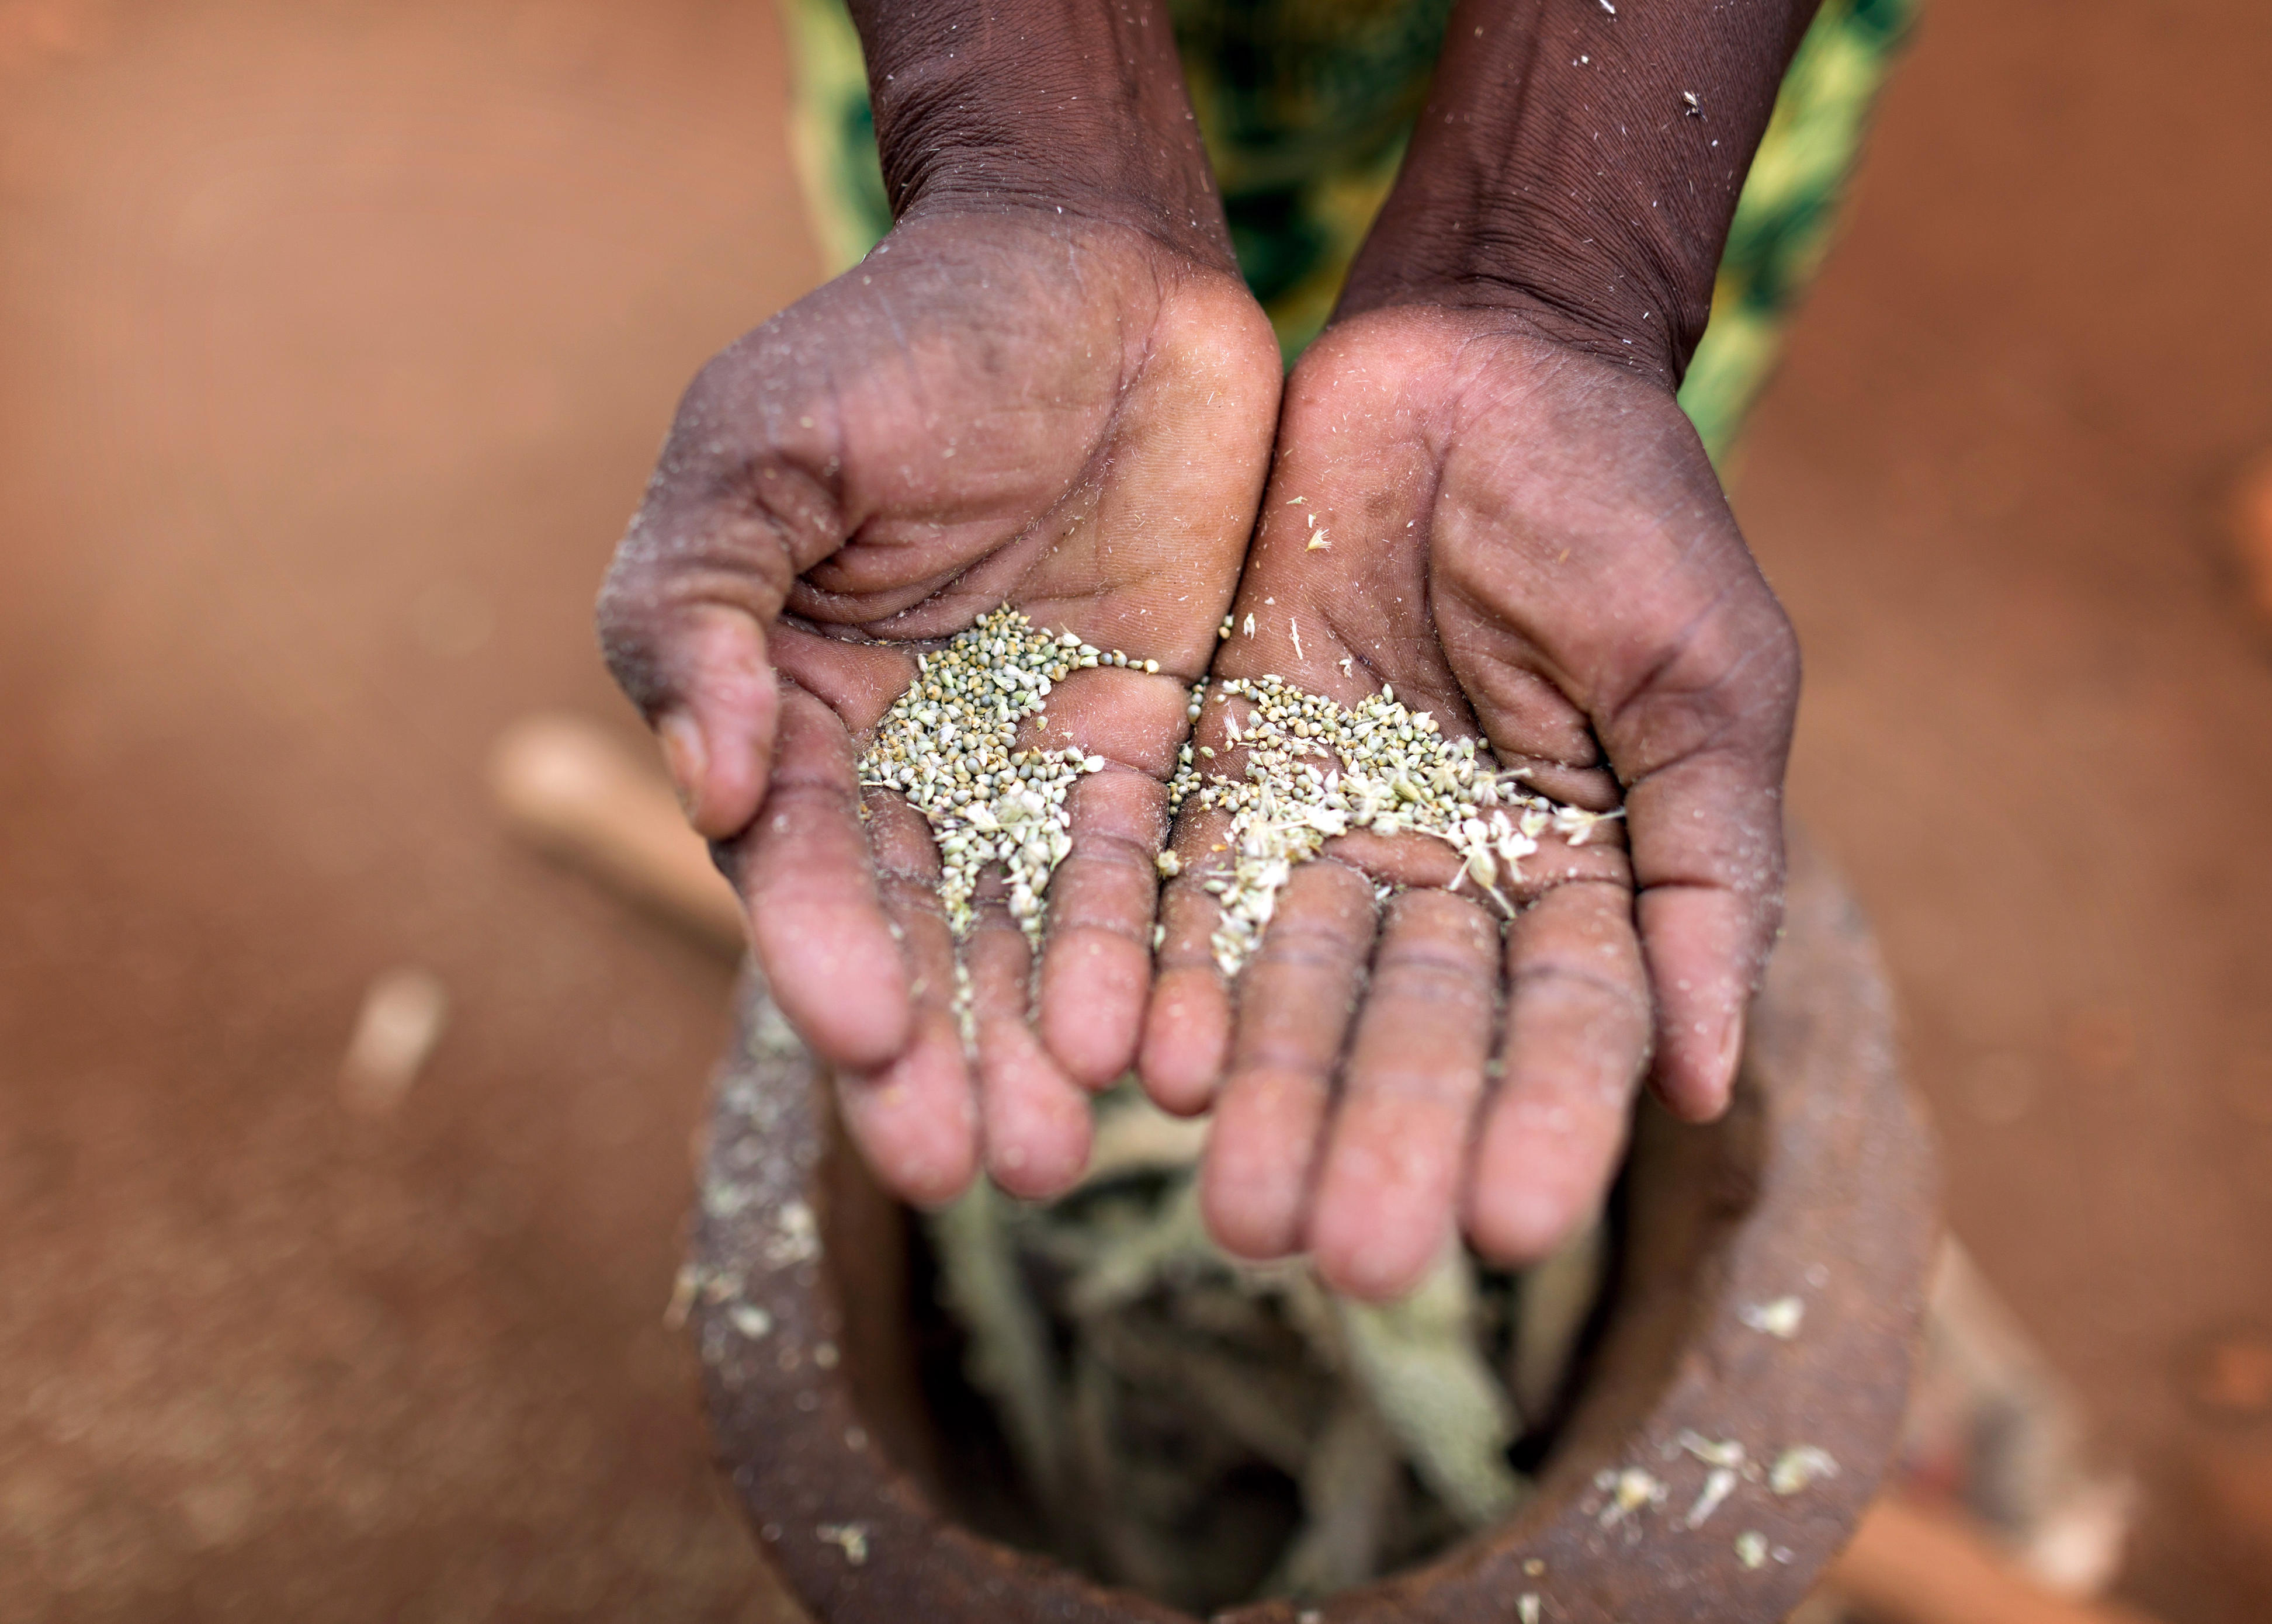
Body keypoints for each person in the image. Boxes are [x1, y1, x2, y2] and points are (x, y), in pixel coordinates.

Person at [596, 0, 1913, 1301]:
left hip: (1635, 84)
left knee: (1554, 498)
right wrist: (1028, 171)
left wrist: (1560, 286)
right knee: (1032, 443)